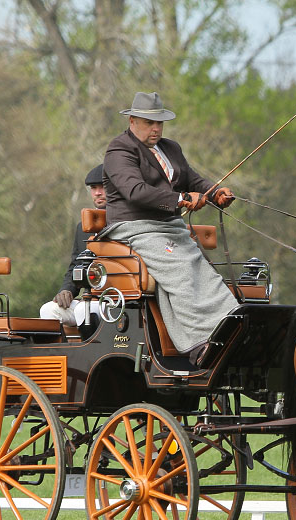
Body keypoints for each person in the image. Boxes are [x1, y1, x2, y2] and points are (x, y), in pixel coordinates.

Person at [102, 91, 237, 357]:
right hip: (134, 227)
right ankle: (197, 343)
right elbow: (136, 191)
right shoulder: (119, 150)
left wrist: (214, 192)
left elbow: (193, 180)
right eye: (149, 122)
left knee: (205, 270)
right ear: (132, 121)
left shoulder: (170, 148)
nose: (156, 128)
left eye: (159, 123)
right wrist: (181, 199)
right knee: (181, 267)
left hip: (169, 228)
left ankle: (226, 329)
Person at [39, 164, 105, 326]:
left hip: (119, 301)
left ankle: (94, 352)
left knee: (84, 310)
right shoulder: (82, 227)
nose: (97, 192)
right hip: (90, 300)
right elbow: (76, 266)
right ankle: (61, 352)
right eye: (93, 188)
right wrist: (66, 290)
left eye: (103, 187)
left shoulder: (126, 225)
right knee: (48, 310)